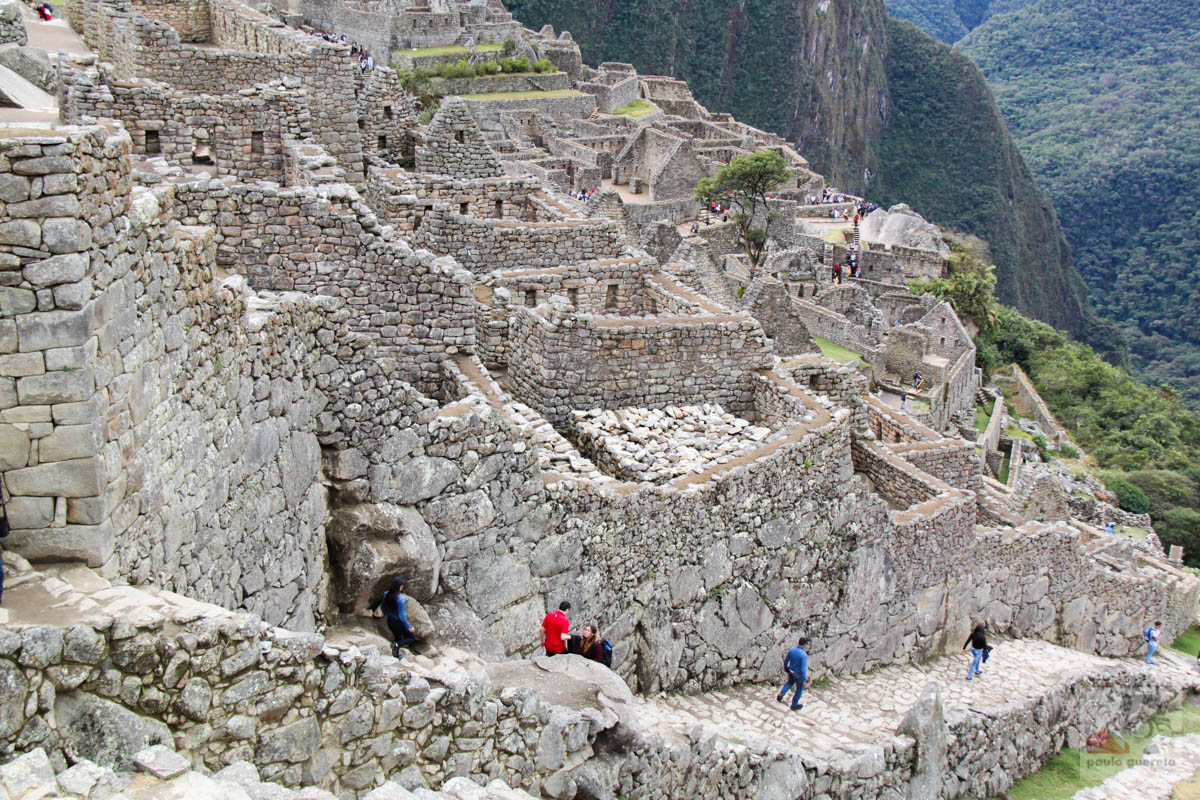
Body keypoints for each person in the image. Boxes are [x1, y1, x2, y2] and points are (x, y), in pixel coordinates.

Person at [371, 576, 416, 660]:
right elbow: (401, 616)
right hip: (398, 622)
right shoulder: (400, 599)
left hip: (390, 620)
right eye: (402, 586)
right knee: (411, 638)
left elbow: (383, 607)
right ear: (400, 587)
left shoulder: (386, 594)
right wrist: (409, 627)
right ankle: (396, 646)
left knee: (398, 637)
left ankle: (396, 655)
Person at [776, 637, 809, 711]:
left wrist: (786, 668)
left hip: (791, 671)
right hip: (799, 675)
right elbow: (803, 669)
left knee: (789, 683)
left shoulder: (792, 650)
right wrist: (804, 680)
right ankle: (794, 704)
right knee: (799, 689)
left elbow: (786, 660)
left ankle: (782, 693)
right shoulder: (803, 655)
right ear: (804, 644)